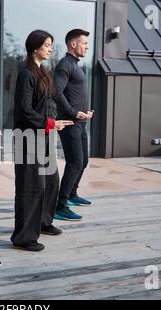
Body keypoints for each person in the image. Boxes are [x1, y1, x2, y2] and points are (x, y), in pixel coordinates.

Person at [11, 30, 74, 252]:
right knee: (31, 187)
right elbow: (23, 111)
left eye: (50, 45)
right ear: (35, 46)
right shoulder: (26, 74)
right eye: (47, 45)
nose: (50, 48)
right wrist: (48, 124)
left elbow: (50, 102)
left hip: (43, 137)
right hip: (27, 139)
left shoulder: (42, 72)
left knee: (50, 182)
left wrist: (58, 120)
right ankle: (23, 237)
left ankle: (44, 223)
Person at [54, 29, 94, 221]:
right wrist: (72, 112)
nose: (87, 46)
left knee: (83, 161)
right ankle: (60, 205)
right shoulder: (65, 65)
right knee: (75, 162)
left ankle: (72, 194)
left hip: (81, 121)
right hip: (70, 122)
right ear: (72, 44)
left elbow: (72, 94)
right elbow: (56, 92)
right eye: (84, 42)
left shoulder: (75, 65)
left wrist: (85, 113)